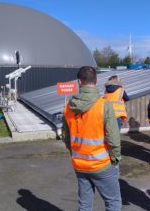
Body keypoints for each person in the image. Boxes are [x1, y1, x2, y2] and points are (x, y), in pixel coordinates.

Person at [62, 66, 122, 211]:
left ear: (79, 82)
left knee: (85, 204)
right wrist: (115, 159)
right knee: (113, 202)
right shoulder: (103, 105)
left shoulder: (68, 107)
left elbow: (66, 137)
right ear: (96, 81)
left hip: (80, 164)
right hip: (101, 164)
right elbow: (113, 138)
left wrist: (75, 153)